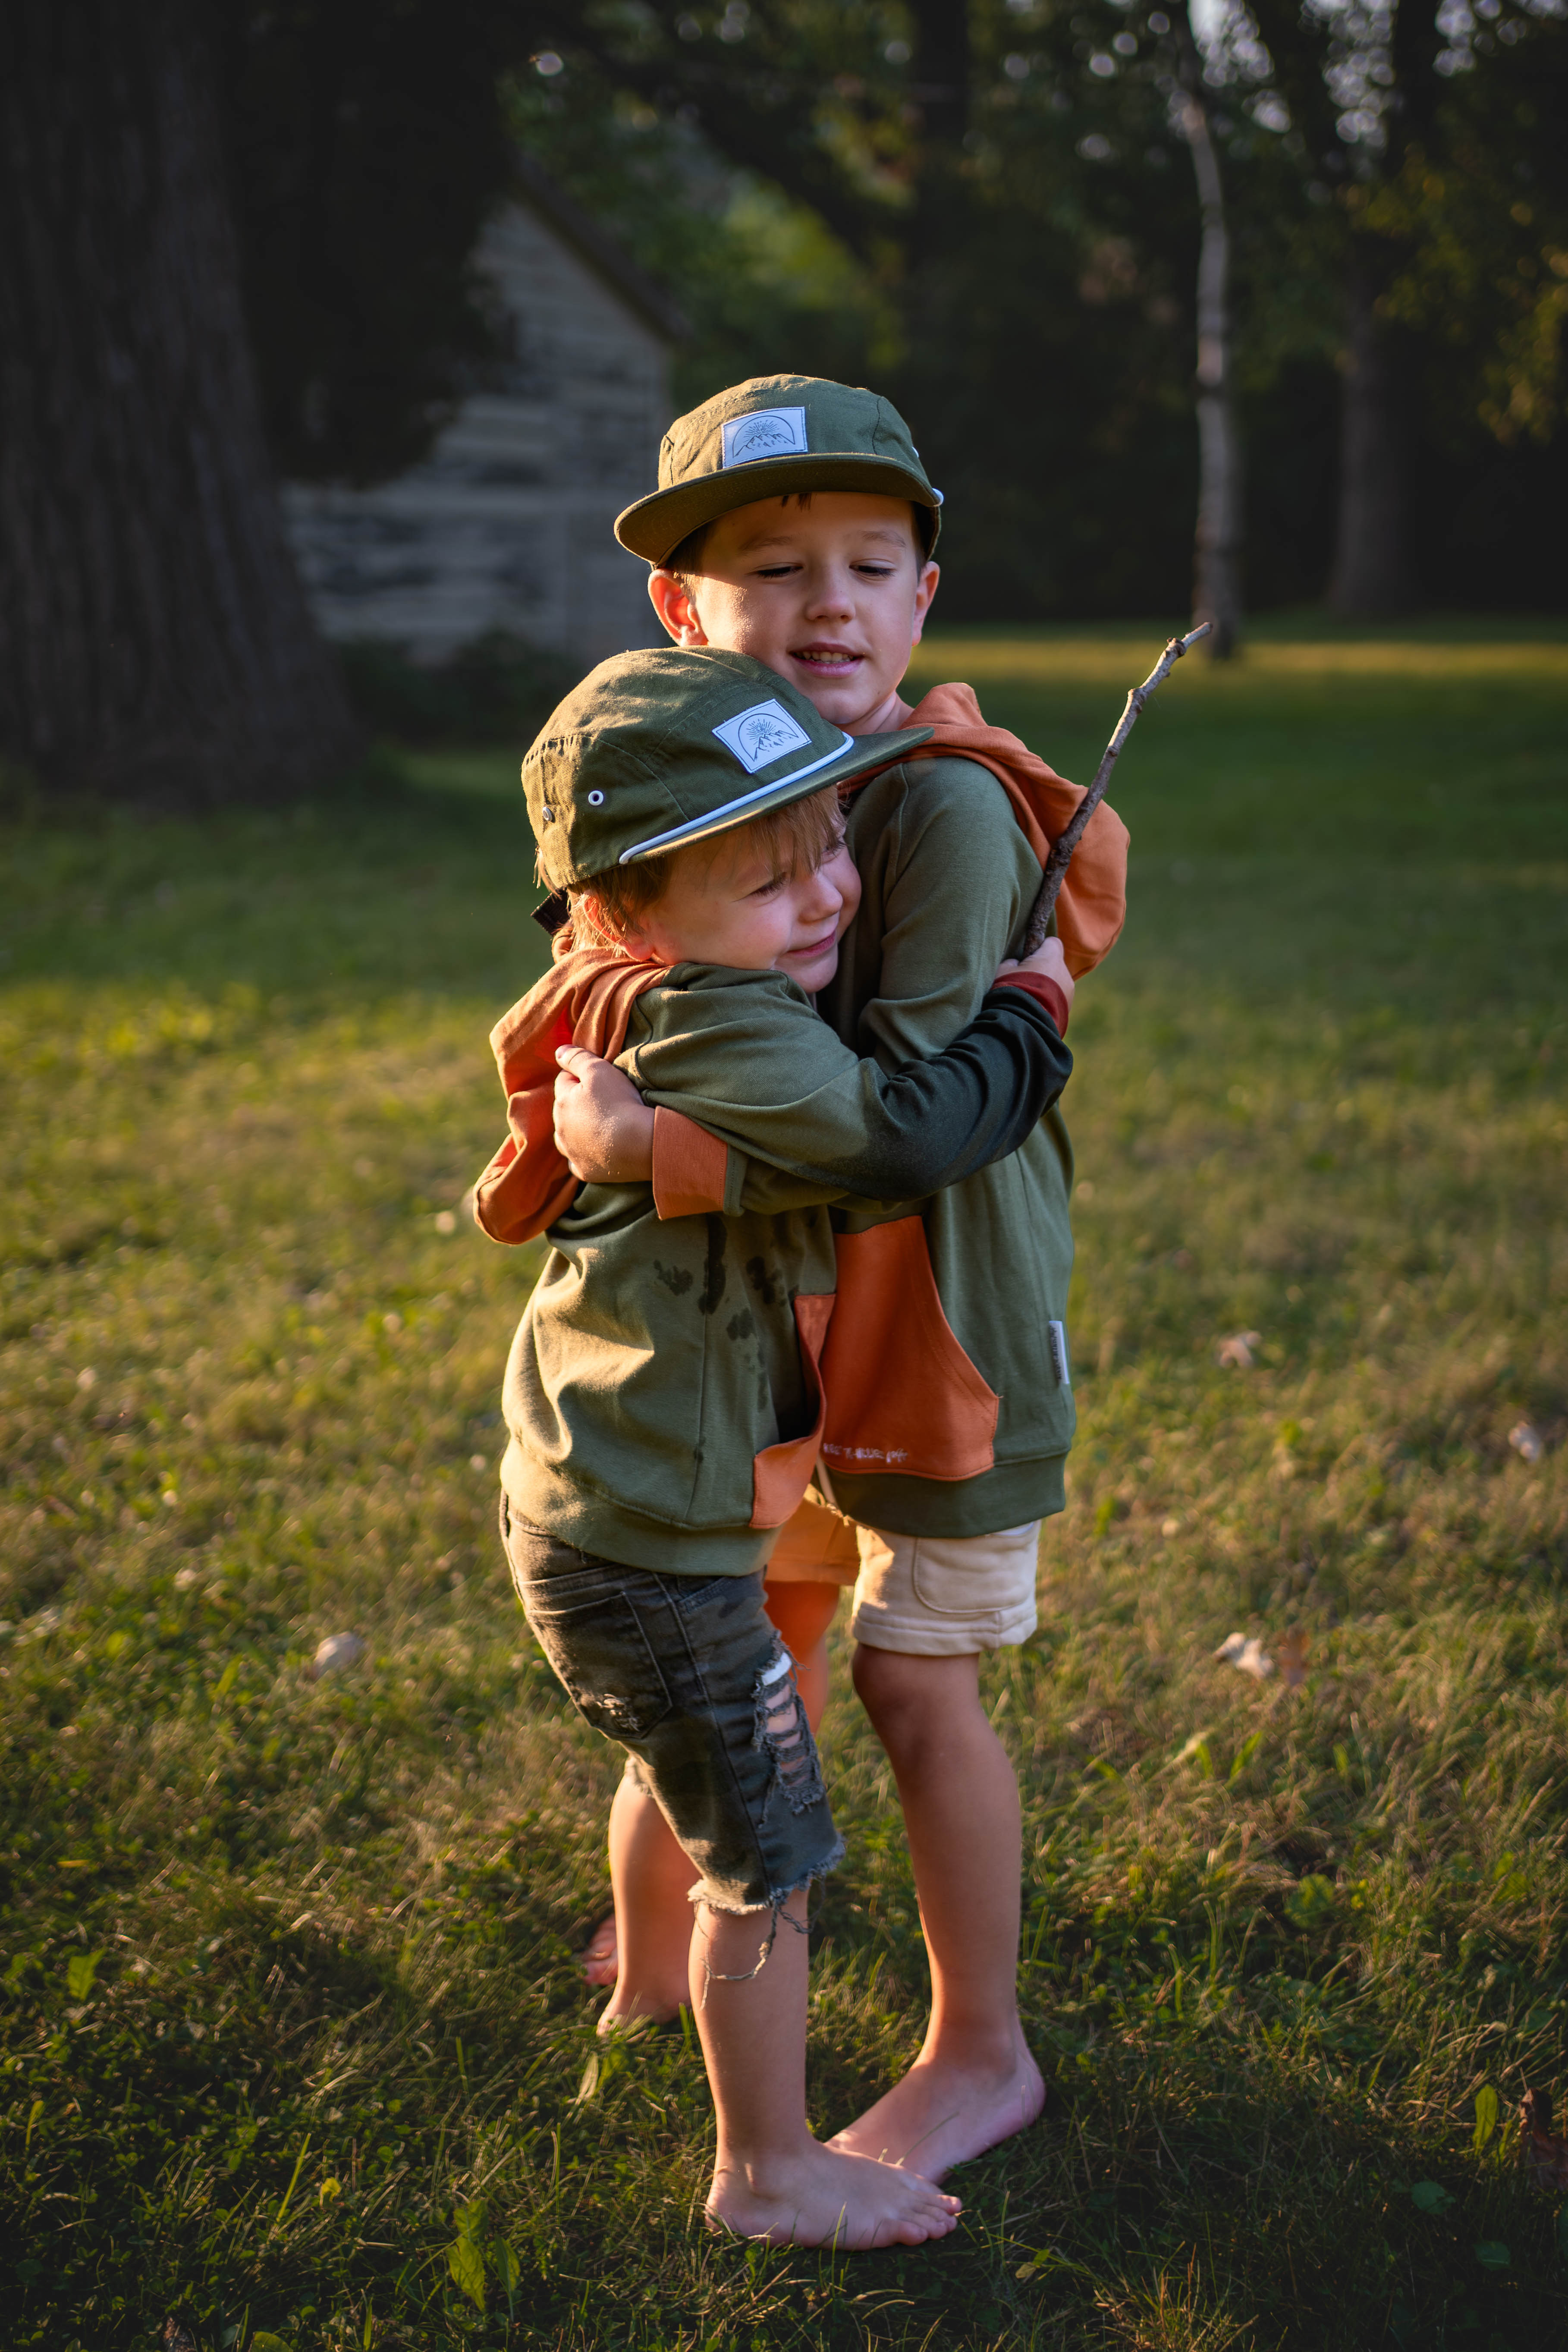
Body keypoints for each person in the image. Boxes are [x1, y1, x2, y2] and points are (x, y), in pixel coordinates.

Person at [557, 375, 1128, 2184]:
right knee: (759, 1637)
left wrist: (666, 1152)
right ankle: (653, 1974)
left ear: (923, 598)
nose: (827, 604)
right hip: (789, 1332)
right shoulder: (717, 791)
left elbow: (907, 1122)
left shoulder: (941, 812)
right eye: (773, 567)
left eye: (871, 564)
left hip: (939, 1321)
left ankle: (984, 2049)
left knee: (913, 1682)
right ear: (683, 613)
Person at [476, 644, 1075, 2247]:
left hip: (612, 1507)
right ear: (631, 913)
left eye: (825, 847)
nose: (824, 897)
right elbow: (892, 1144)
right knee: (769, 1852)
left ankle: (644, 1997)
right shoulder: (730, 1028)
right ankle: (766, 2168)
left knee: (685, 1773)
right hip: (658, 1540)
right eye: (767, 877)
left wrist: (633, 1144)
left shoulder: (622, 991)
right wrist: (1026, 1014)